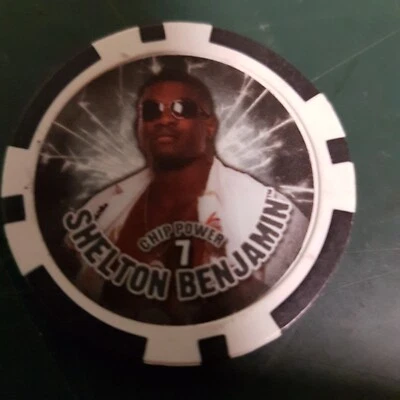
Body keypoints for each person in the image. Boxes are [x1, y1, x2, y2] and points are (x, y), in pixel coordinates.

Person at [71, 69, 308, 324]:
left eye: (182, 108)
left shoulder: (267, 211)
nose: (164, 119)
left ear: (210, 125)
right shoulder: (104, 208)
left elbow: (293, 296)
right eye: (151, 111)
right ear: (138, 127)